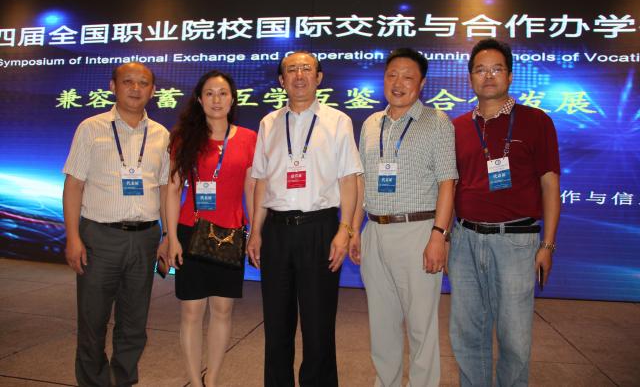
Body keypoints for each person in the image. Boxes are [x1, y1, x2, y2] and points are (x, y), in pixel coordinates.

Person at [449, 38, 561, 386]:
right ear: (470, 77)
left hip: (516, 241)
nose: (488, 76)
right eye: (480, 70)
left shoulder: (535, 121)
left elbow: (550, 185)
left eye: (496, 69)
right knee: (468, 333)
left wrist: (548, 245)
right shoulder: (457, 127)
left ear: (510, 76)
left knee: (514, 337)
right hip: (465, 240)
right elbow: (449, 186)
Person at [247, 51, 362, 387]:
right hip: (276, 231)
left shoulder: (338, 121)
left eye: (306, 69)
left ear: (319, 77)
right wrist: (255, 231)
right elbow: (262, 180)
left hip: (320, 229)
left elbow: (349, 179)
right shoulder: (268, 123)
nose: (299, 76)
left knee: (318, 324)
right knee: (276, 324)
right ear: (281, 80)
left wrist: (345, 230)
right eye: (292, 70)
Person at [349, 48, 458, 387]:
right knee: (382, 325)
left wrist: (439, 235)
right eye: (392, 75)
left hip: (418, 232)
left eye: (408, 77)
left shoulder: (437, 122)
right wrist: (354, 229)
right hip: (374, 230)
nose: (398, 83)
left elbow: (448, 183)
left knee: (421, 327)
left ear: (422, 83)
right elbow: (362, 181)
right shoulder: (371, 124)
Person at [62, 62, 170, 386]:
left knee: (134, 321)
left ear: (153, 90)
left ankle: (123, 379)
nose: (136, 88)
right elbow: (74, 185)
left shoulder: (161, 134)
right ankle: (93, 381)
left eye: (143, 83)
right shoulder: (90, 128)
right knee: (92, 319)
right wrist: (72, 238)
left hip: (145, 238)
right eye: (128, 82)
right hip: (100, 236)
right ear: (113, 86)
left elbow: (165, 188)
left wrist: (167, 235)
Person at [166, 70, 256, 387]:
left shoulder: (249, 138)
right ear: (199, 99)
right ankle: (194, 380)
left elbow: (251, 189)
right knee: (191, 312)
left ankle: (213, 379)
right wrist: (171, 237)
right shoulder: (184, 138)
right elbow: (173, 189)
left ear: (232, 99)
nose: (216, 100)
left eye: (223, 93)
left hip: (230, 234)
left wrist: (255, 232)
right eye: (209, 93)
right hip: (191, 232)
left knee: (222, 311)